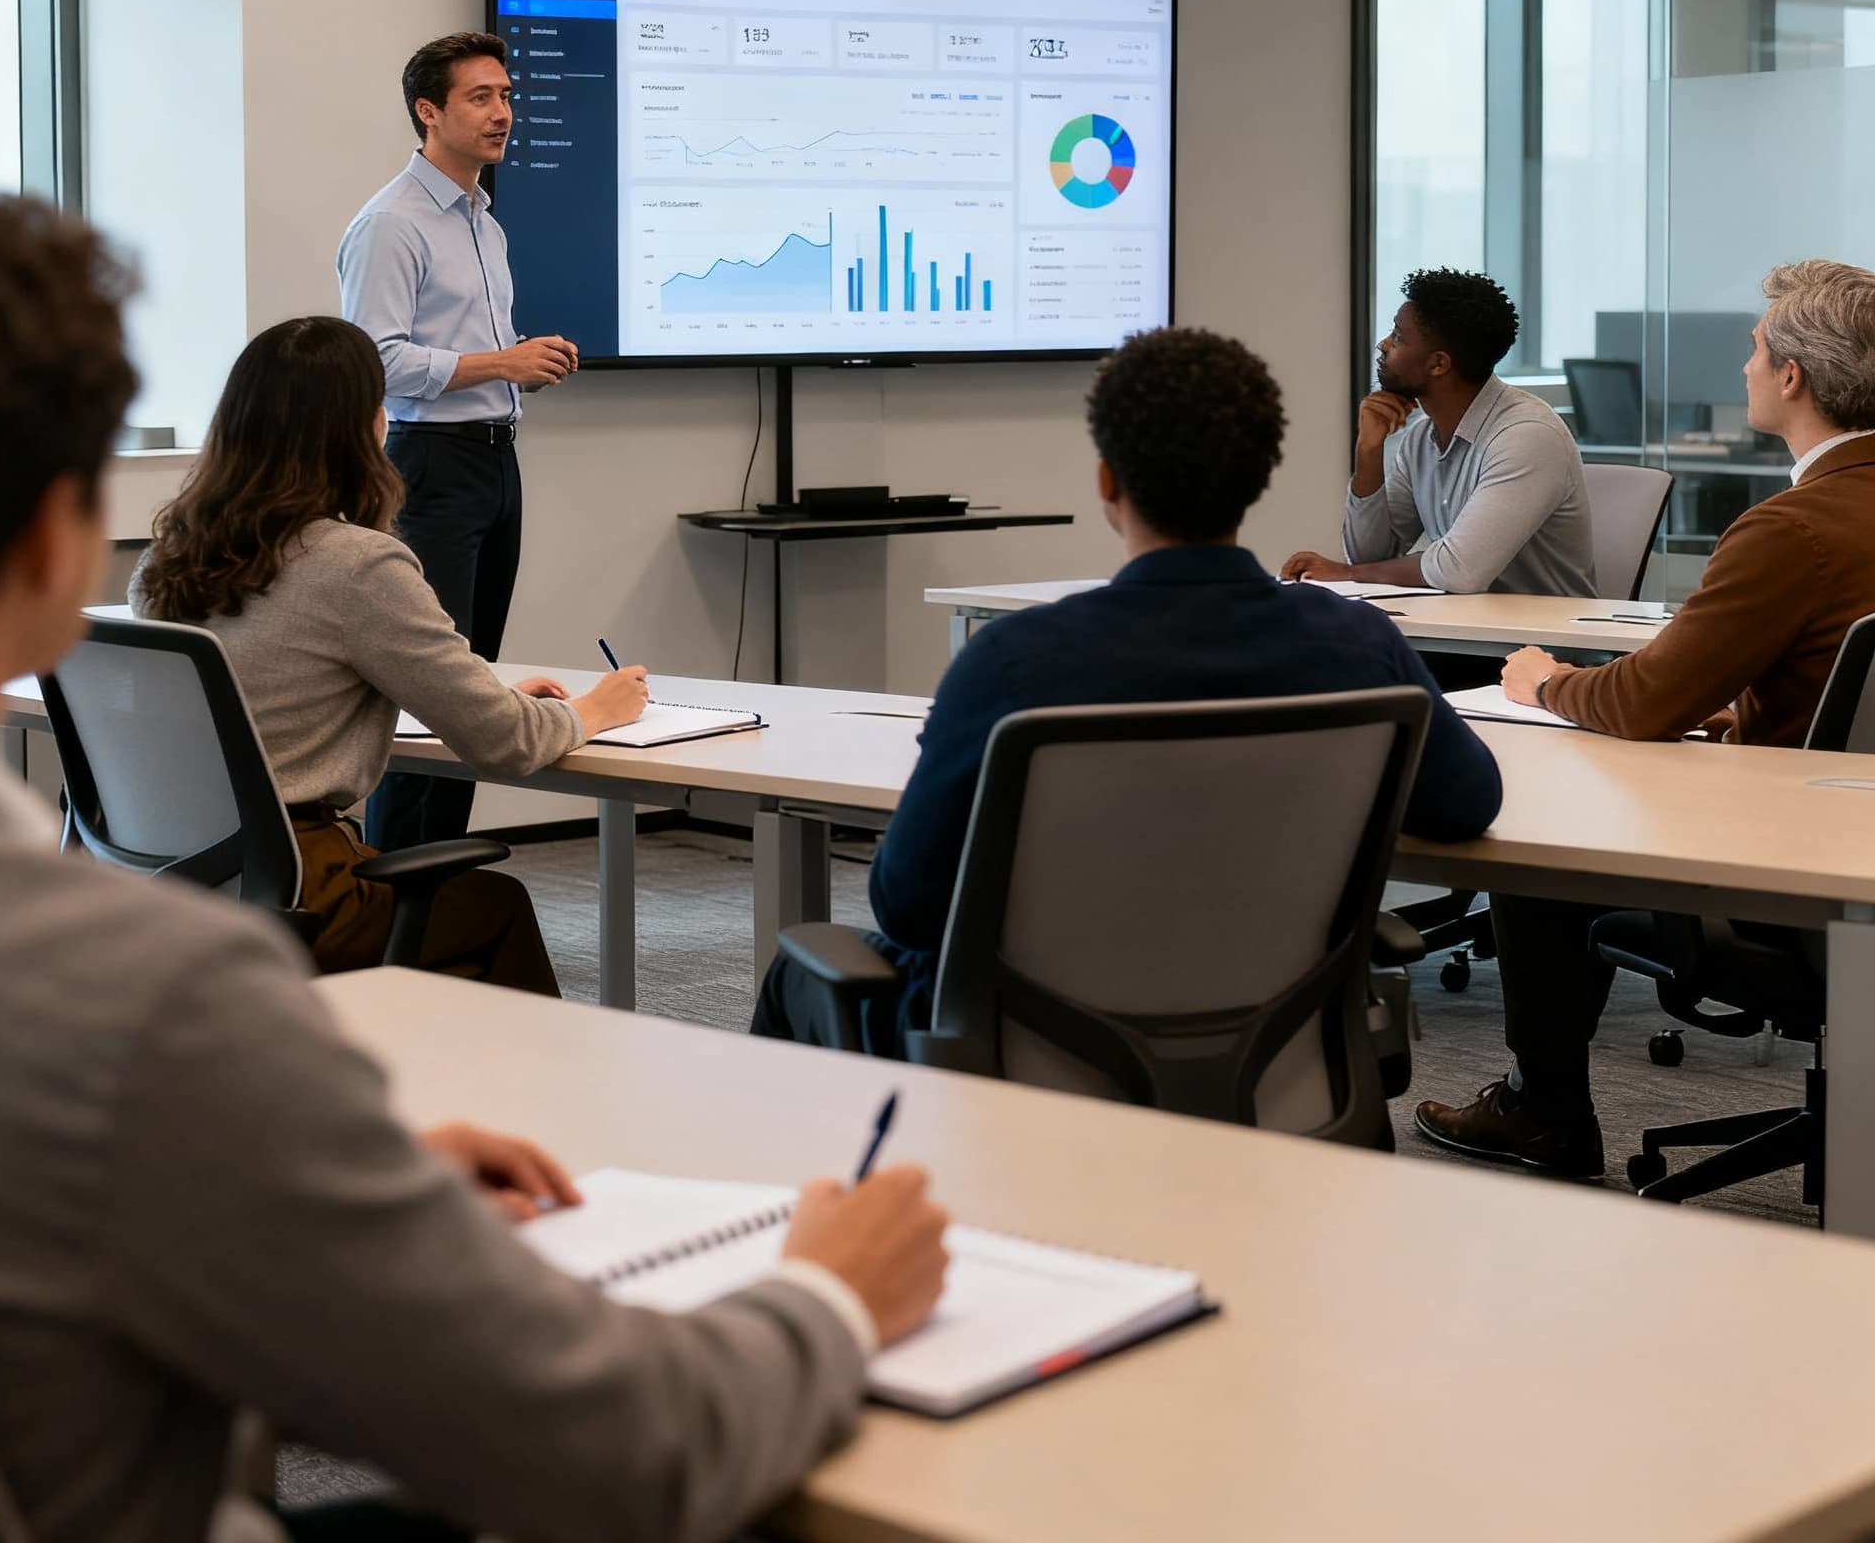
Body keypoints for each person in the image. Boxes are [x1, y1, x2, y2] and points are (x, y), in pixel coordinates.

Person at [0, 188, 949, 1543]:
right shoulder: (148, 1008)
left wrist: (300, 1157)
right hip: (302, 892)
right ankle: (591, 1216)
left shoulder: (169, 598)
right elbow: (617, 1456)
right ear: (53, 542)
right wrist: (829, 1293)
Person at [752, 325, 1504, 1058]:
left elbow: (911, 908)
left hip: (1034, 1054)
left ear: (1108, 480)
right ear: (1258, 478)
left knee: (802, 971)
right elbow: (1466, 804)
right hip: (1276, 1050)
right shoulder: (1358, 646)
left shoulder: (1016, 663)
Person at [1416, 260, 1875, 1180]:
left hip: (1794, 871)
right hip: (1850, 830)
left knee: (1541, 845)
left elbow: (1637, 702)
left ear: (1793, 377)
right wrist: (1739, 706)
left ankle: (1544, 1113)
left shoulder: (1792, 529)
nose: (1744, 368)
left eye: (1754, 351)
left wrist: (1545, 683)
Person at [132, 316, 649, 989]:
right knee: (496, 908)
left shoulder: (164, 558)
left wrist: (475, 694)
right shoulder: (357, 565)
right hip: (288, 879)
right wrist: (598, 711)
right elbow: (507, 745)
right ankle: (518, 1096)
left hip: (165, 877)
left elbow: (278, 689)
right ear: (362, 428)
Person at [339, 32, 580, 858]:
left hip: (494, 460)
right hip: (430, 468)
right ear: (428, 111)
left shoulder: (484, 222)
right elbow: (373, 358)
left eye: (507, 96)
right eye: (481, 97)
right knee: (427, 691)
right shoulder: (391, 225)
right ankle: (397, 890)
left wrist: (518, 366)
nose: (502, 113)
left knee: (472, 682)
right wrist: (499, 362)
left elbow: (463, 349)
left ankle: (439, 886)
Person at [1282, 267, 1595, 598]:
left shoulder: (1528, 436)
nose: (1383, 344)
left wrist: (1347, 574)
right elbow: (1370, 558)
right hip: (1464, 636)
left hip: (1544, 644)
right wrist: (1368, 453)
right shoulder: (1420, 439)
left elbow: (1459, 572)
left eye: (1398, 337)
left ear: (1438, 364)